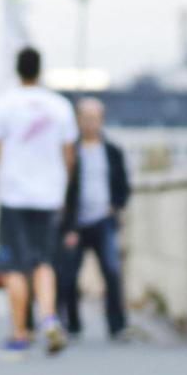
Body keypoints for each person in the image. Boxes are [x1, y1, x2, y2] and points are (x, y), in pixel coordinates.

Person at [0, 46, 77, 358]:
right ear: (40, 69)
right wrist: (61, 191)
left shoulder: (4, 104)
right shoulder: (60, 106)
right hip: (49, 196)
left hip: (14, 195)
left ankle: (20, 334)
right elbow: (69, 157)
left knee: (15, 266)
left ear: (18, 70)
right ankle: (49, 317)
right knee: (44, 262)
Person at [55, 96, 131, 338]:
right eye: (85, 118)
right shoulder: (70, 150)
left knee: (111, 271)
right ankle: (72, 323)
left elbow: (123, 186)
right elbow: (62, 186)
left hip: (103, 221)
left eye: (94, 118)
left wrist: (115, 206)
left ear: (101, 120)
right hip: (75, 224)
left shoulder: (112, 151)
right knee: (68, 276)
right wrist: (66, 223)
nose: (90, 123)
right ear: (78, 120)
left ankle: (117, 325)